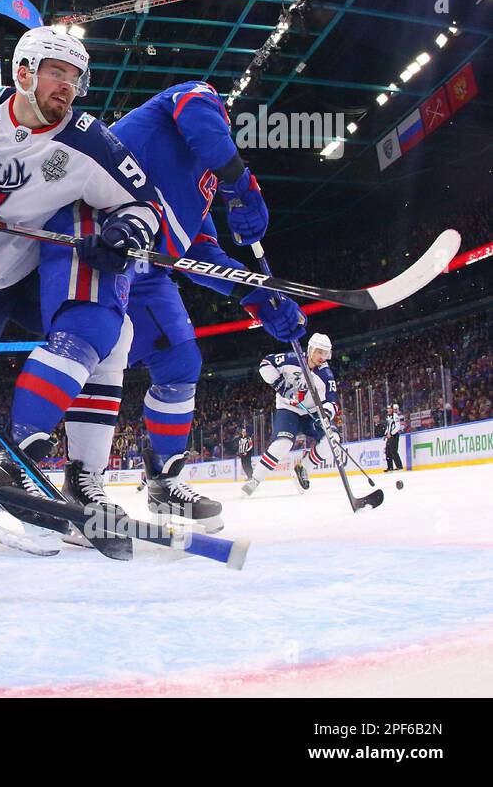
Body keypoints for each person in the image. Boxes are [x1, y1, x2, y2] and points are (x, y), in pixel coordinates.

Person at [0, 26, 164, 553]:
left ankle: (81, 477)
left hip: (35, 273)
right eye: (57, 72)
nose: (67, 87)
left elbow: (145, 204)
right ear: (23, 72)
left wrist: (124, 233)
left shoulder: (89, 140)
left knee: (111, 333)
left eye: (75, 78)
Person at [56, 80, 305, 533]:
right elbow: (198, 117)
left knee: (181, 362)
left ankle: (165, 482)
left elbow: (200, 256)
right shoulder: (196, 100)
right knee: (95, 357)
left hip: (147, 271)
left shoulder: (203, 192)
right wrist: (241, 182)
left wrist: (259, 295)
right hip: (101, 245)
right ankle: (80, 483)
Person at [243, 333, 338, 496]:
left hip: (311, 413)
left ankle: (303, 468)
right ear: (310, 349)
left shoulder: (325, 374)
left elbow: (333, 401)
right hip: (289, 410)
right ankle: (255, 479)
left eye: (325, 353)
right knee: (283, 444)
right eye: (319, 352)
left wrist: (326, 414)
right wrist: (280, 385)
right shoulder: (292, 359)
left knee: (333, 439)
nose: (322, 357)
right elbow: (265, 364)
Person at [384, 402, 406, 472]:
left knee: (393, 451)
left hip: (394, 435)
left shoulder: (395, 416)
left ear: (392, 409)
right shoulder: (388, 417)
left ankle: (399, 466)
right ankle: (390, 467)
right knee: (388, 451)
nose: (388, 410)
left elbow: (397, 427)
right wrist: (385, 434)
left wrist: (391, 433)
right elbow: (388, 426)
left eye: (390, 408)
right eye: (388, 408)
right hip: (389, 436)